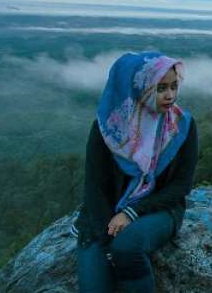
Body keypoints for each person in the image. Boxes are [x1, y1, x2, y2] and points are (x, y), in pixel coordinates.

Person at [71, 51, 198, 292]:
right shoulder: (107, 128)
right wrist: (107, 237)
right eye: (160, 88)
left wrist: (131, 212)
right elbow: (94, 187)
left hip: (160, 209)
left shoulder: (181, 126)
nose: (170, 95)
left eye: (173, 86)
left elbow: (181, 185)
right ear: (138, 88)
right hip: (102, 215)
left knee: (127, 247)